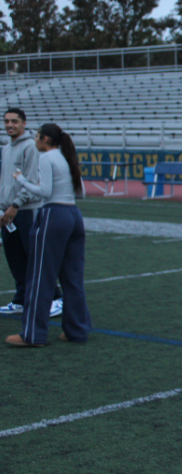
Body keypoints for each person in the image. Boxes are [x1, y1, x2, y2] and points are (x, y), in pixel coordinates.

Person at [5, 123, 91, 347]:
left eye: (37, 137)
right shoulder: (66, 157)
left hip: (53, 214)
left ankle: (32, 335)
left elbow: (44, 191)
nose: (34, 140)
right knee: (72, 278)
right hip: (74, 215)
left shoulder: (46, 158)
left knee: (40, 276)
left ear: (44, 139)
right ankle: (77, 330)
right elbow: (81, 192)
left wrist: (21, 180)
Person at [0, 108, 63, 318]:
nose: (10, 125)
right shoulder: (6, 147)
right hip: (8, 212)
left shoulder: (30, 147)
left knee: (36, 257)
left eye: (14, 121)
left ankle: (55, 297)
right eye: (7, 121)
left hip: (26, 211)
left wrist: (16, 204)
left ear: (24, 123)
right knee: (14, 257)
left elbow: (33, 181)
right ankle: (21, 299)